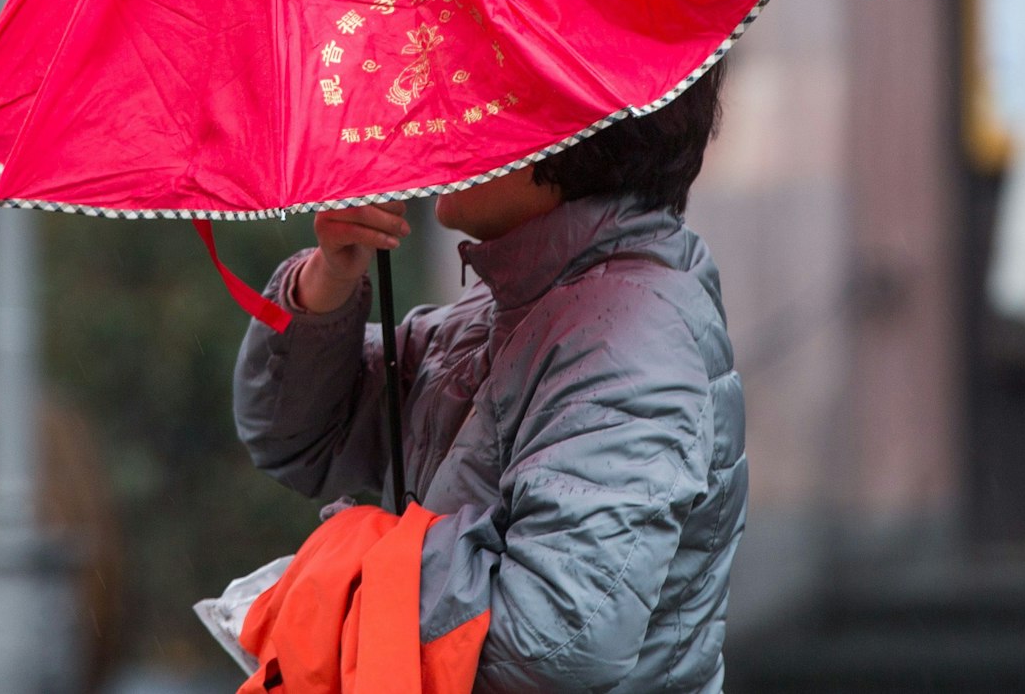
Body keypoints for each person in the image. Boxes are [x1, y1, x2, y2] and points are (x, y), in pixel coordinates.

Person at [233, 64, 744, 693]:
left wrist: (358, 569)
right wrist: (331, 279)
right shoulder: (510, 304)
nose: (445, 110)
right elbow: (298, 438)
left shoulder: (627, 334)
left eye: (477, 90)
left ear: (569, 131)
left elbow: (559, 636)